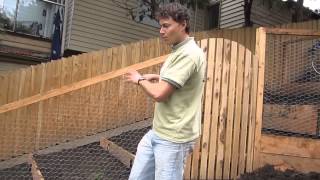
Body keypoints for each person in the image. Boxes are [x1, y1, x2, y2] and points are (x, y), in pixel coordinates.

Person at [124, 2, 206, 180]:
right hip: (159, 131)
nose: (161, 31)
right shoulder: (178, 51)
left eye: (166, 26)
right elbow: (180, 82)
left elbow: (159, 95)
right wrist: (159, 77)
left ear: (183, 24)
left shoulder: (189, 54)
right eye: (160, 26)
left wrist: (139, 80)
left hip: (174, 139)